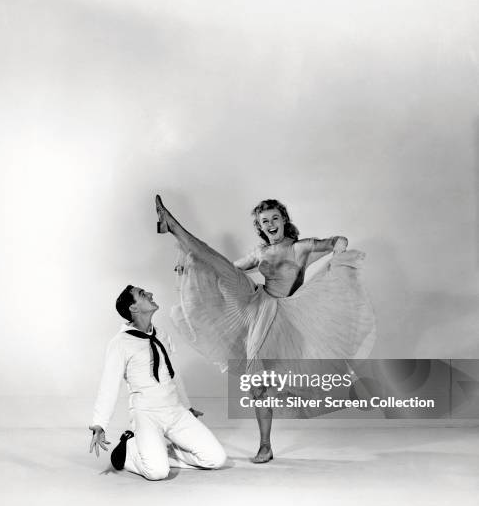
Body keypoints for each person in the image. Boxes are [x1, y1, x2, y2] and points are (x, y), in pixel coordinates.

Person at [155, 196, 375, 463]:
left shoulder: (300, 248)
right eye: (264, 221)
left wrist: (338, 254)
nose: (270, 224)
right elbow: (226, 268)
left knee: (270, 383)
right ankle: (174, 227)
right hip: (256, 306)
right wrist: (192, 265)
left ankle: (176, 230)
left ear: (284, 220)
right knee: (215, 263)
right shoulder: (259, 252)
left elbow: (338, 240)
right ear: (259, 226)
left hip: (285, 314)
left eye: (274, 218)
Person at [88, 285, 227, 480]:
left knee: (216, 459)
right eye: (143, 294)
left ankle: (159, 452)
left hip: (175, 411)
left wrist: (187, 407)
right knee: (157, 473)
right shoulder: (120, 343)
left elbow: (173, 373)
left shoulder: (161, 335)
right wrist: (99, 424)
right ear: (133, 308)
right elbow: (109, 385)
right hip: (147, 414)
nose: (150, 294)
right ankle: (130, 448)